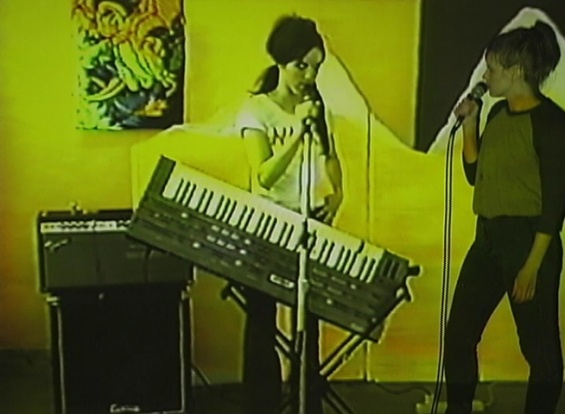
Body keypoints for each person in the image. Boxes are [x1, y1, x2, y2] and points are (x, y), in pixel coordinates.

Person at [445, 20, 565, 414]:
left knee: (540, 351)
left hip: (529, 242)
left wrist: (531, 266)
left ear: (515, 73)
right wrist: (471, 125)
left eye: (492, 68)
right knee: (459, 336)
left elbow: (555, 205)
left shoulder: (552, 124)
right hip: (488, 240)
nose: (485, 76)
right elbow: (475, 174)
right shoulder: (496, 114)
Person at [234, 14, 344, 414]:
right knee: (261, 322)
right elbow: (264, 175)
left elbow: (330, 156)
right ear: (282, 63)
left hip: (308, 224)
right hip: (266, 226)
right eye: (302, 66)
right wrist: (298, 132)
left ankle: (306, 402)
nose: (309, 76)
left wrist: (339, 193)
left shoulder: (316, 107)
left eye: (316, 67)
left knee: (307, 323)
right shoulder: (256, 110)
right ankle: (260, 405)